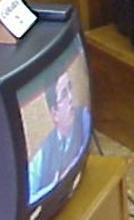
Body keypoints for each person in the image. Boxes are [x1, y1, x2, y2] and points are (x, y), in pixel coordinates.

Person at [27, 69, 90, 199]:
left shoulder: (83, 117)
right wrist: (55, 185)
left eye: (70, 89)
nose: (71, 98)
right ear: (54, 113)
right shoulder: (43, 153)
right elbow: (27, 197)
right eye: (64, 94)